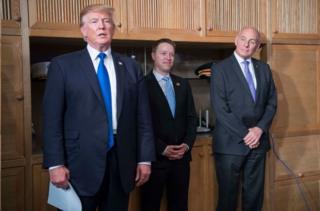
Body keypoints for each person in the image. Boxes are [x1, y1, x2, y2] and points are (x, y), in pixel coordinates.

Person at [42, 4, 155, 211]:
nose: (101, 26)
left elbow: (143, 118)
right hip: (79, 164)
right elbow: (51, 120)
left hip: (122, 163)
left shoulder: (131, 67)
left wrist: (145, 158)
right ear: (83, 31)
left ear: (113, 29)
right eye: (94, 22)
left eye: (107, 21)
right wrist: (55, 163)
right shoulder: (63, 65)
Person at [210, 26, 277, 211]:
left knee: (254, 198)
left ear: (257, 46)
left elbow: (271, 103)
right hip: (230, 144)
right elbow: (221, 109)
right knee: (227, 199)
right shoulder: (220, 69)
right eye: (243, 39)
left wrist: (259, 129)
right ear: (236, 40)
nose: (247, 45)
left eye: (252, 41)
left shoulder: (264, 69)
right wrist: (247, 134)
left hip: (258, 143)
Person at [140, 38, 197, 211]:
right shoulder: (142, 85)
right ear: (153, 56)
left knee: (180, 205)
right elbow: (141, 123)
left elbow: (191, 118)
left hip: (181, 159)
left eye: (171, 54)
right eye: (163, 53)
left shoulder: (183, 84)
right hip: (155, 159)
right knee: (150, 206)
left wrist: (187, 145)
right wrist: (161, 148)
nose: (168, 57)